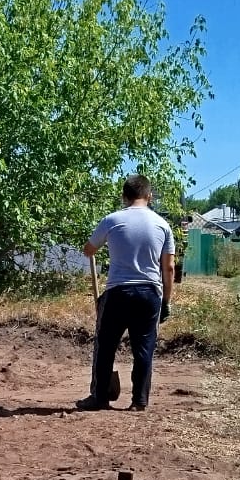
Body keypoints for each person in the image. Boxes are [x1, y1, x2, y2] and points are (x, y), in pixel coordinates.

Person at [76, 174, 174, 412]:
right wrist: (166, 301)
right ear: (149, 196)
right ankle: (139, 401)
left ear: (124, 196)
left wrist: (93, 247)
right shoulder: (162, 225)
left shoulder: (111, 220)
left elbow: (89, 250)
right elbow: (169, 267)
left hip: (118, 292)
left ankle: (100, 398)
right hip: (149, 293)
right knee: (144, 348)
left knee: (106, 344)